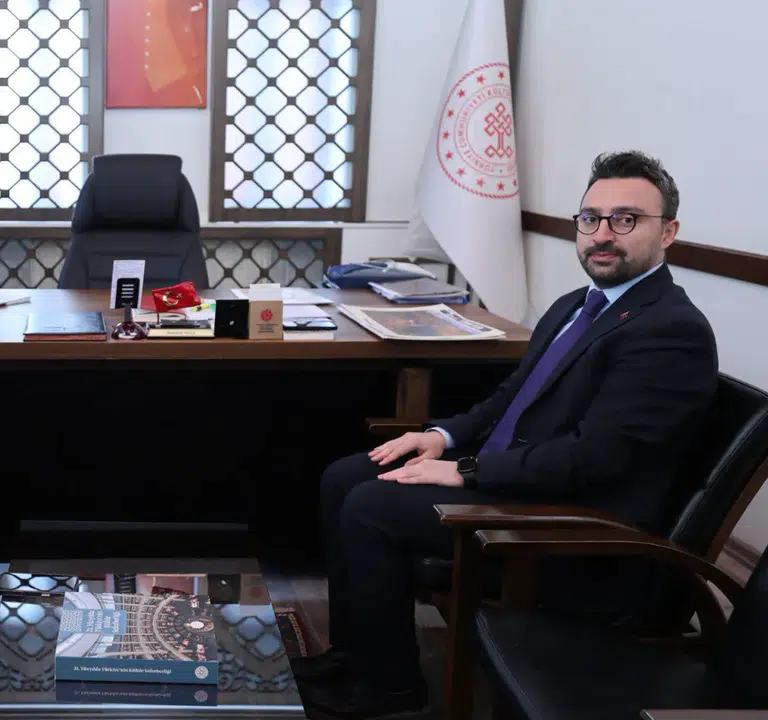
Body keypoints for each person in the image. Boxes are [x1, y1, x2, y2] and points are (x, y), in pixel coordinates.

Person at [299, 151, 719, 719]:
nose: (602, 234)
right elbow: (510, 398)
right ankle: (355, 656)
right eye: (590, 218)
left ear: (667, 232)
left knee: (372, 507)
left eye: (625, 219)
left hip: (571, 523)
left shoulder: (670, 329)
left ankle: (389, 685)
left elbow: (592, 458)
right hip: (521, 476)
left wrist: (467, 471)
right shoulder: (578, 305)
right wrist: (442, 437)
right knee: (344, 476)